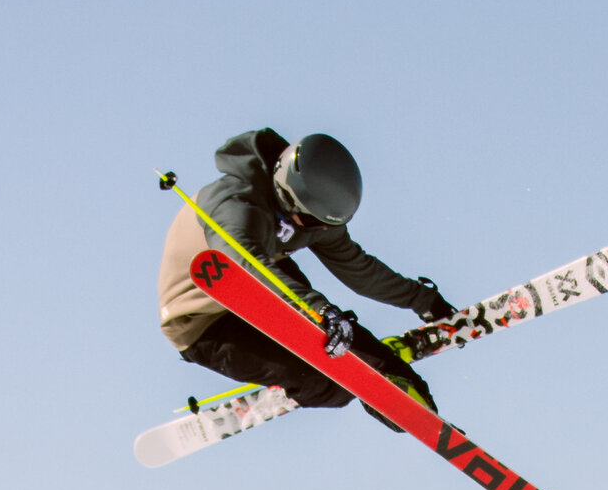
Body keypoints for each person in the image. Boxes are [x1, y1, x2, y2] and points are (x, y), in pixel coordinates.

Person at [156, 130, 456, 416]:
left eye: (327, 226)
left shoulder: (316, 216)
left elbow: (357, 268)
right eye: (312, 223)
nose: (319, 231)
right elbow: (245, 269)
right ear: (286, 197)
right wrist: (319, 309)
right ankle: (302, 380)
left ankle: (407, 396)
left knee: (347, 344)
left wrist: (424, 301)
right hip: (205, 320)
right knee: (331, 381)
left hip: (268, 283)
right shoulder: (233, 203)